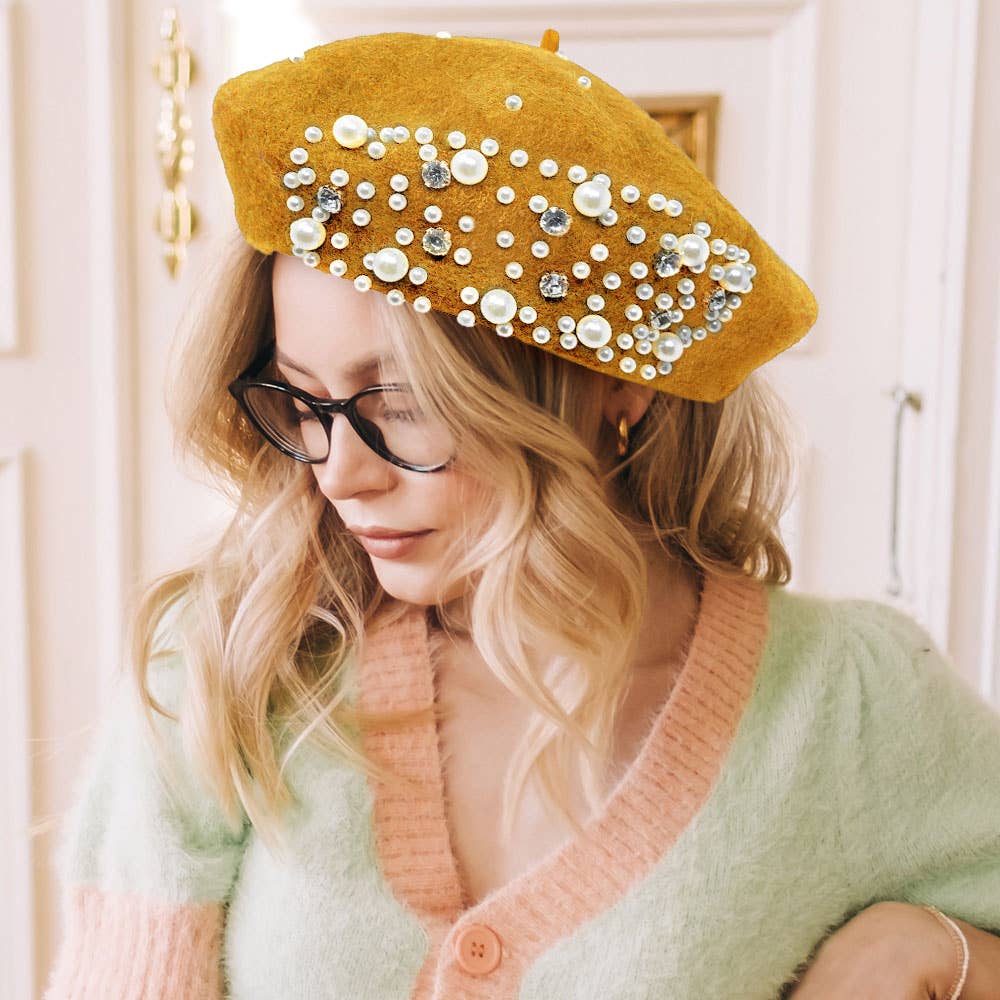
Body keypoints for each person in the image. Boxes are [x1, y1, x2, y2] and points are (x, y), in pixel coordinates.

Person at [43, 27, 1000, 1000]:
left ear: (619, 383)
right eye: (306, 401)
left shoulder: (849, 702)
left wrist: (924, 948)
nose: (340, 474)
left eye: (401, 403)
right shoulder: (231, 665)